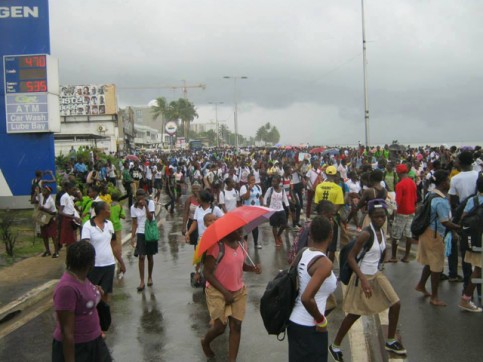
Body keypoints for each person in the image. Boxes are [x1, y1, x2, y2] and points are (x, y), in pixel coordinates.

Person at [329, 200, 407, 361]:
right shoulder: (366, 233)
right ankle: (335, 345)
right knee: (355, 314)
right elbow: (351, 258)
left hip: (376, 275)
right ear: (370, 216)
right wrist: (363, 280)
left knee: (396, 303)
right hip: (362, 276)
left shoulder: (382, 231)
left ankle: (391, 340)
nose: (381, 219)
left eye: (383, 216)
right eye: (377, 217)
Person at [201, 228, 261, 362]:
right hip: (217, 291)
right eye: (238, 231)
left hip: (238, 290)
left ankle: (232, 360)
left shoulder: (242, 244)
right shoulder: (217, 247)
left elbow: (240, 265)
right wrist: (224, 292)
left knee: (236, 326)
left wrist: (253, 268)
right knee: (220, 327)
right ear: (228, 231)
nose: (241, 233)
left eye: (242, 231)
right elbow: (207, 273)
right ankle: (205, 341)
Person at [52, 241, 113, 362]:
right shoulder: (67, 288)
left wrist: (96, 293)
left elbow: (85, 301)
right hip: (78, 349)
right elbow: (66, 332)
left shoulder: (82, 277)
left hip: (94, 342)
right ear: (90, 263)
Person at [288, 216, 337, 362]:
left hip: (294, 322)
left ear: (310, 234)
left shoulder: (304, 252)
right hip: (310, 327)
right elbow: (306, 297)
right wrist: (321, 320)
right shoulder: (324, 263)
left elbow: (291, 277)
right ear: (331, 236)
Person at [415, 170, 461, 307]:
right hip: (434, 235)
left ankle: (421, 285)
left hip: (427, 232)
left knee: (430, 262)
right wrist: (458, 228)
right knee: (436, 266)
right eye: (447, 180)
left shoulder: (430, 194)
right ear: (442, 183)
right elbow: (445, 221)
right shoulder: (440, 200)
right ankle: (434, 297)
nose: (449, 182)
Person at [82, 201, 126, 307]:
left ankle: (103, 319)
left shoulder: (109, 224)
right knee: (92, 295)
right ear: (102, 211)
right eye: (108, 209)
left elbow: (114, 246)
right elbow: (85, 248)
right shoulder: (88, 226)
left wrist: (121, 263)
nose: (110, 211)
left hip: (109, 265)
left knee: (105, 294)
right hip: (94, 267)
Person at [447, 151, 479, 284]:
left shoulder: (455, 179)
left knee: (461, 246)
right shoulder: (478, 175)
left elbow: (453, 200)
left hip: (462, 214)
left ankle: (456, 275)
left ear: (460, 162)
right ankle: (477, 282)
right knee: (477, 248)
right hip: (478, 214)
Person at [458, 176, 483, 312]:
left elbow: (464, 218)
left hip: (474, 239)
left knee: (478, 269)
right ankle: (466, 299)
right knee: (478, 270)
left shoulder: (472, 200)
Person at [388, 164, 417, 263]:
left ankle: (393, 256)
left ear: (398, 173)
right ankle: (406, 256)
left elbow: (397, 202)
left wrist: (392, 214)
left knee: (396, 234)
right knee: (409, 234)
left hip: (402, 212)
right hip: (411, 211)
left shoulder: (400, 185)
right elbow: (416, 199)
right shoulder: (412, 183)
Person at [130, 189, 157, 292]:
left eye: (143, 197)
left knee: (150, 256)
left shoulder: (150, 204)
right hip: (140, 232)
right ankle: (141, 281)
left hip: (149, 232)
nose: (141, 200)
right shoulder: (133, 207)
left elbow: (150, 218)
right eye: (139, 198)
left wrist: (146, 206)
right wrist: (133, 237)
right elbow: (134, 223)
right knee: (141, 256)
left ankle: (149, 276)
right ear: (136, 197)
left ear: (145, 197)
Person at [264, 174, 291, 247]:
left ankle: (278, 235)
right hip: (272, 210)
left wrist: (289, 209)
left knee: (284, 224)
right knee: (274, 226)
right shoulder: (270, 189)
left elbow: (285, 200)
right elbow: (265, 197)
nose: (273, 183)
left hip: (281, 209)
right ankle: (276, 239)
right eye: (272, 181)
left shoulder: (282, 190)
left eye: (274, 182)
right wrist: (266, 206)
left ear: (279, 182)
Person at [240, 174, 264, 249]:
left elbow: (260, 197)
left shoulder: (258, 187)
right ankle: (244, 244)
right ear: (248, 180)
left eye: (254, 180)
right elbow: (245, 198)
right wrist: (249, 189)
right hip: (246, 211)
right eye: (251, 180)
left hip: (256, 211)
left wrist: (262, 205)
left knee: (255, 227)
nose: (253, 181)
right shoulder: (244, 187)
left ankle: (256, 243)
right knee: (246, 229)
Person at [37, 185, 59, 257]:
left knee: (53, 235)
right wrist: (35, 192)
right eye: (43, 190)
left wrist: (42, 208)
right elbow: (34, 199)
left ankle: (56, 252)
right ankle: (47, 250)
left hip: (51, 217)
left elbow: (52, 212)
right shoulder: (41, 196)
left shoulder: (50, 200)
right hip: (44, 217)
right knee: (44, 235)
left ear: (49, 192)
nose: (43, 191)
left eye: (45, 190)